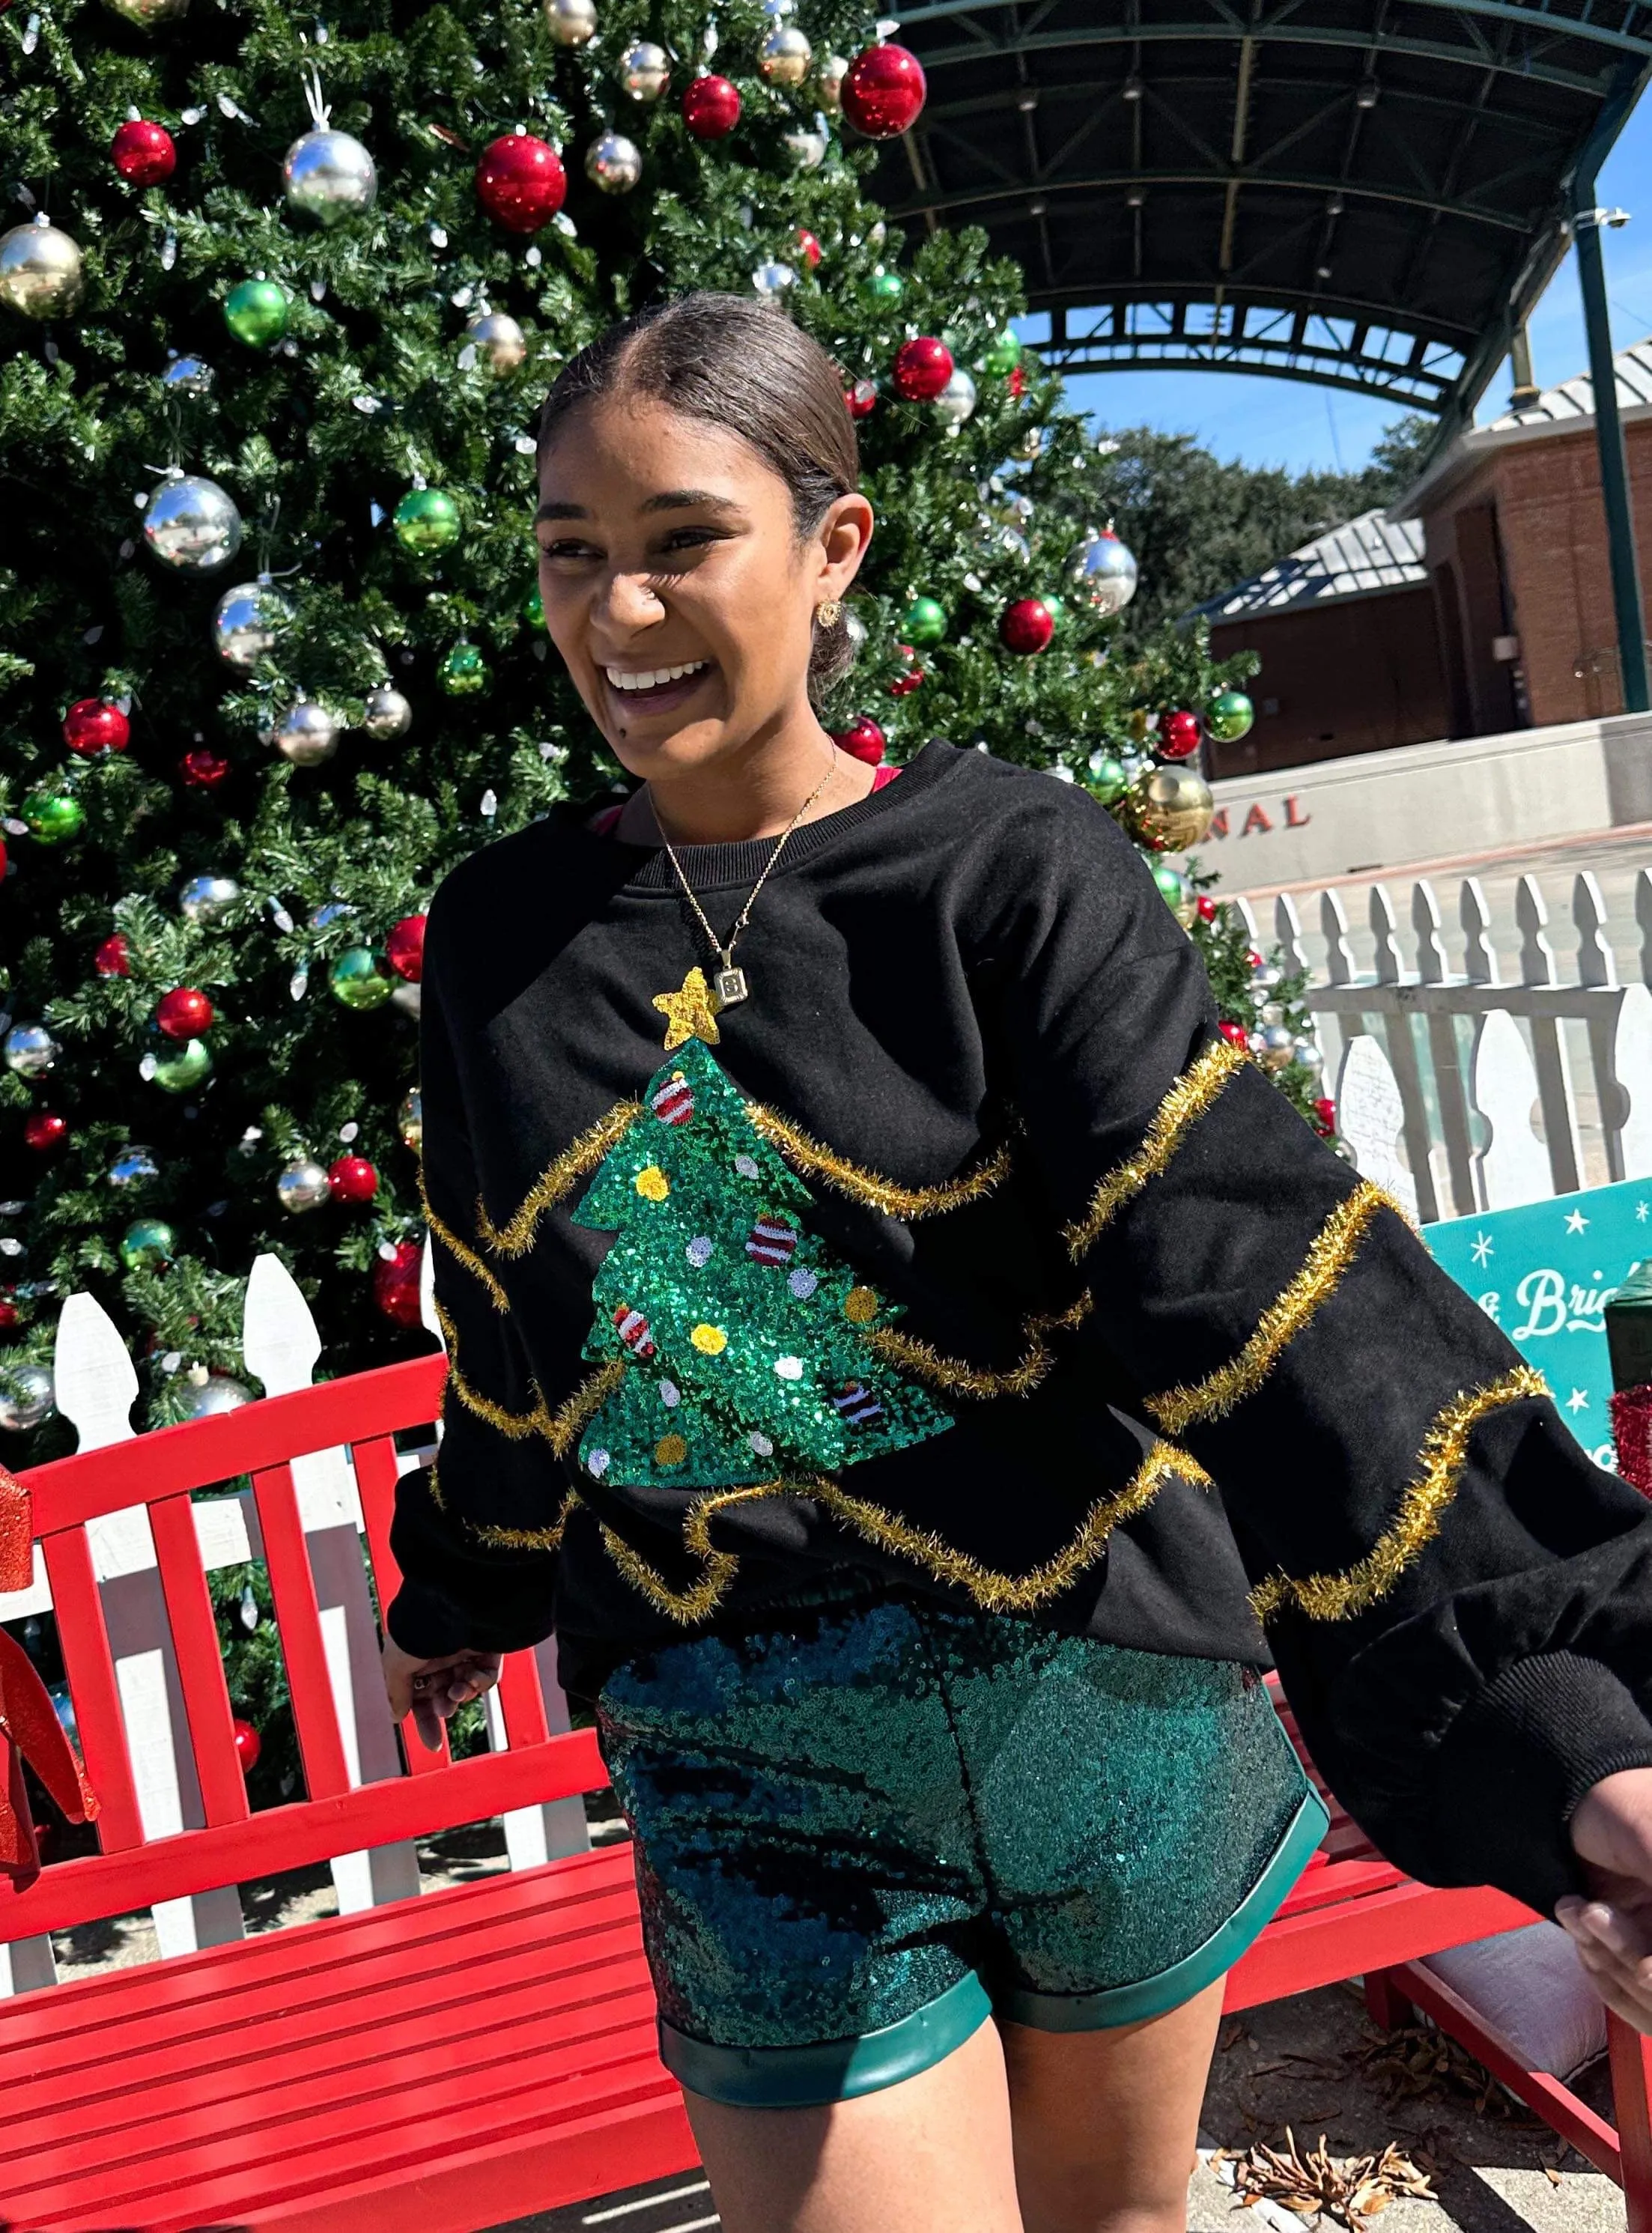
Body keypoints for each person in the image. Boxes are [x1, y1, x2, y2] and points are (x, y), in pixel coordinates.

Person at [380, 291, 1652, 2233]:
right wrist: (457, 1581)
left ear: (832, 544)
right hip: (755, 1765)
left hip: (1101, 1717)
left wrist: (1575, 1733)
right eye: (572, 556)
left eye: (677, 542)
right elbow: (510, 1309)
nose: (615, 613)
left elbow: (1257, 1276)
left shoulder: (1009, 871)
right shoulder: (503, 938)